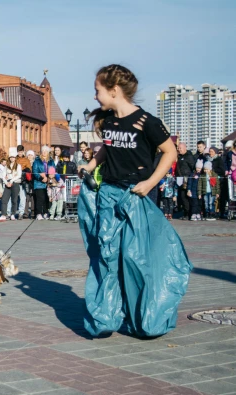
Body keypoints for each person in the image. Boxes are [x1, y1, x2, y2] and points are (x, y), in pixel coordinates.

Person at [77, 64, 190, 338]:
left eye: (98, 90)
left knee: (135, 258)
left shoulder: (147, 122)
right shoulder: (110, 121)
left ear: (114, 90)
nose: (95, 96)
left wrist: (151, 183)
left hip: (136, 196)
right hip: (108, 195)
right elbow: (108, 148)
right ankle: (106, 317)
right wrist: (90, 166)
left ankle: (144, 318)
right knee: (106, 254)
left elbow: (170, 152)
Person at [32, 145, 54, 220]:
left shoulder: (51, 161)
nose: (44, 152)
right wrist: (41, 178)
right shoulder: (37, 161)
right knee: (39, 198)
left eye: (46, 151)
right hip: (39, 183)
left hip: (48, 183)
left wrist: (48, 178)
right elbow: (35, 171)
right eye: (43, 151)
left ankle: (45, 212)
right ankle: (38, 213)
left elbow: (52, 170)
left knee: (46, 198)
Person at [175, 142, 195, 220]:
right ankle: (185, 212)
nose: (179, 150)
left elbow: (192, 167)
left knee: (187, 197)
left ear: (185, 148)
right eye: (178, 148)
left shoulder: (189, 157)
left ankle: (189, 213)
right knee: (182, 197)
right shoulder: (179, 157)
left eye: (180, 148)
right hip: (180, 179)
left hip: (187, 180)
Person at [2, 147, 22, 220]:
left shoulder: (18, 166)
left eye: (13, 157)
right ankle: (4, 214)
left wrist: (11, 180)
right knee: (4, 199)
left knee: (14, 199)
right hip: (7, 184)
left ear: (15, 158)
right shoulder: (6, 166)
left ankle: (13, 213)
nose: (12, 158)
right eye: (11, 157)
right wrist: (6, 182)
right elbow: (3, 176)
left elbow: (19, 175)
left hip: (15, 183)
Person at [15, 145, 31, 219]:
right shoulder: (14, 159)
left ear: (23, 151)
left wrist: (24, 171)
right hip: (14, 180)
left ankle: (21, 212)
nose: (20, 153)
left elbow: (29, 170)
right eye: (18, 152)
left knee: (22, 197)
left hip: (22, 181)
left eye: (21, 151)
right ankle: (13, 211)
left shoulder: (26, 160)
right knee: (14, 197)